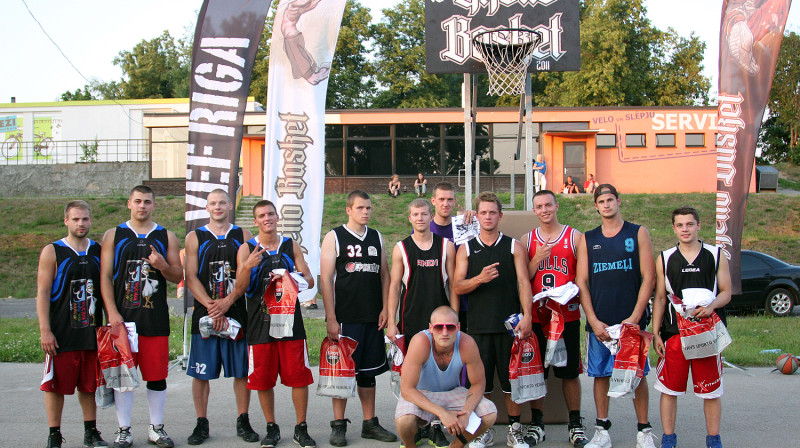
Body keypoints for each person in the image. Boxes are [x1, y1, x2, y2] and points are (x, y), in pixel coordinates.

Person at [100, 185, 183, 448]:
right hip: (122, 319)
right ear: (129, 204)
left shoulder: (166, 236)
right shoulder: (114, 235)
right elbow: (104, 277)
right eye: (138, 201)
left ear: (154, 205)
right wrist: (112, 313)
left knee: (156, 376)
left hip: (154, 319)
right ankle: (124, 429)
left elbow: (178, 276)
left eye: (147, 202)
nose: (142, 206)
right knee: (123, 379)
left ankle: (156, 428)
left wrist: (162, 266)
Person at [575, 184, 657, 448]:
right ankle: (602, 431)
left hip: (630, 322)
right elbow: (582, 282)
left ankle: (644, 431)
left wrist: (635, 317)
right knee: (600, 376)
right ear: (596, 206)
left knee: (637, 375)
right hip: (600, 323)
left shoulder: (638, 233)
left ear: (619, 201)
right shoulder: (587, 238)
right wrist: (593, 319)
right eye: (601, 201)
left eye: (611, 199)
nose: (606, 204)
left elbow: (649, 277)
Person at [453, 191, 533, 448]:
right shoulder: (466, 247)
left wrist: (528, 315)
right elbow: (457, 286)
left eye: (492, 212)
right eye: (483, 212)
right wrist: (480, 279)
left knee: (512, 382)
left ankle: (514, 430)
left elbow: (523, 282)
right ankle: (482, 430)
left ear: (501, 215)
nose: (488, 216)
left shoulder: (514, 246)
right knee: (481, 383)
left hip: (509, 327)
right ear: (476, 216)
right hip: (478, 326)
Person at [234, 200, 317, 448]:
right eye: (262, 215)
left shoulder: (290, 246)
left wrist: (290, 278)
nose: (267, 218)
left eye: (270, 213)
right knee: (263, 379)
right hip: (260, 323)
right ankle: (271, 427)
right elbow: (239, 289)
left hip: (290, 322)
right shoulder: (246, 249)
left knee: (299, 377)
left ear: (277, 216)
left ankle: (301, 428)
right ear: (256, 221)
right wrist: (248, 266)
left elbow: (310, 280)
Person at [320, 190, 398, 446]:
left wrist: (387, 308)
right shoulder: (335, 236)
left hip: (372, 317)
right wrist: (331, 317)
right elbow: (326, 280)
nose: (366, 212)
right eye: (361, 208)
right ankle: (338, 424)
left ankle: (369, 423)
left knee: (368, 373)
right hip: (345, 318)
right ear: (349, 210)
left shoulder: (376, 236)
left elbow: (384, 275)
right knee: (341, 374)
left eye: (369, 208)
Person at [183, 189, 259, 445]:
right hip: (205, 314)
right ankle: (201, 423)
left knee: (241, 373)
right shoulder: (195, 237)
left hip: (236, 312)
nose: (217, 207)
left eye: (222, 203)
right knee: (201, 373)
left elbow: (245, 275)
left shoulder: (243, 235)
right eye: (213, 203)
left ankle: (243, 420)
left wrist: (227, 303)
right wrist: (210, 306)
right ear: (207, 207)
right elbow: (190, 276)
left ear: (230, 205)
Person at [652, 207, 731, 448]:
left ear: (698, 226)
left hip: (706, 333)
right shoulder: (665, 258)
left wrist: (711, 307)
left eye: (689, 224)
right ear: (674, 228)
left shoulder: (715, 255)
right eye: (680, 225)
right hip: (675, 335)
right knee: (669, 389)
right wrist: (655, 332)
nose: (685, 229)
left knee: (711, 391)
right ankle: (668, 438)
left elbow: (727, 292)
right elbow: (661, 298)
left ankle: (713, 439)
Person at [387, 198, 457, 448]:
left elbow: (453, 286)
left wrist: (455, 318)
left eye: (424, 214)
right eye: (415, 214)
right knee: (415, 375)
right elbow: (394, 286)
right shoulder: (401, 248)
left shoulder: (446, 246)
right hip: (411, 320)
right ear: (410, 218)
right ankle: (420, 423)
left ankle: (437, 425)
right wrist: (391, 322)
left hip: (441, 326)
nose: (420, 218)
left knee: (440, 373)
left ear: (431, 216)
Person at [520, 190, 588, 447]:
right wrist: (536, 259)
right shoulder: (528, 239)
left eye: (549, 204)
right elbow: (522, 279)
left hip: (566, 316)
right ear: (534, 210)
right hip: (538, 317)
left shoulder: (574, 237)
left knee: (570, 373)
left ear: (556, 205)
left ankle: (575, 423)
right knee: (537, 372)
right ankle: (537, 423)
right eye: (539, 206)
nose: (545, 209)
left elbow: (581, 279)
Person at [37, 200, 107, 448]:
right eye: (76, 219)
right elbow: (43, 293)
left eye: (85, 219)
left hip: (90, 332)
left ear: (90, 220)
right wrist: (45, 330)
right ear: (66, 220)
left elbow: (106, 289)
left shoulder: (98, 250)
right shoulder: (53, 251)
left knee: (88, 385)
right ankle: (54, 434)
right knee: (55, 386)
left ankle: (91, 431)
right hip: (61, 333)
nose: (81, 223)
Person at [395, 306, 498, 448]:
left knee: (489, 414)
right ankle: (409, 445)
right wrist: (442, 414)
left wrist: (467, 413)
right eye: (439, 327)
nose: (445, 332)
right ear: (430, 328)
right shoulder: (420, 342)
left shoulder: (467, 343)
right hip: (421, 393)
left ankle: (455, 446)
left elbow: (478, 384)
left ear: (458, 327)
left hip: (452, 392)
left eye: (450, 327)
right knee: (404, 422)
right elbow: (407, 389)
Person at [429, 182, 474, 328]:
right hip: (436, 299)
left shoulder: (465, 225)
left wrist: (475, 219)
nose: (445, 204)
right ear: (433, 201)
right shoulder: (424, 229)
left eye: (449, 200)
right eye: (441, 199)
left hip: (466, 300)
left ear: (455, 201)